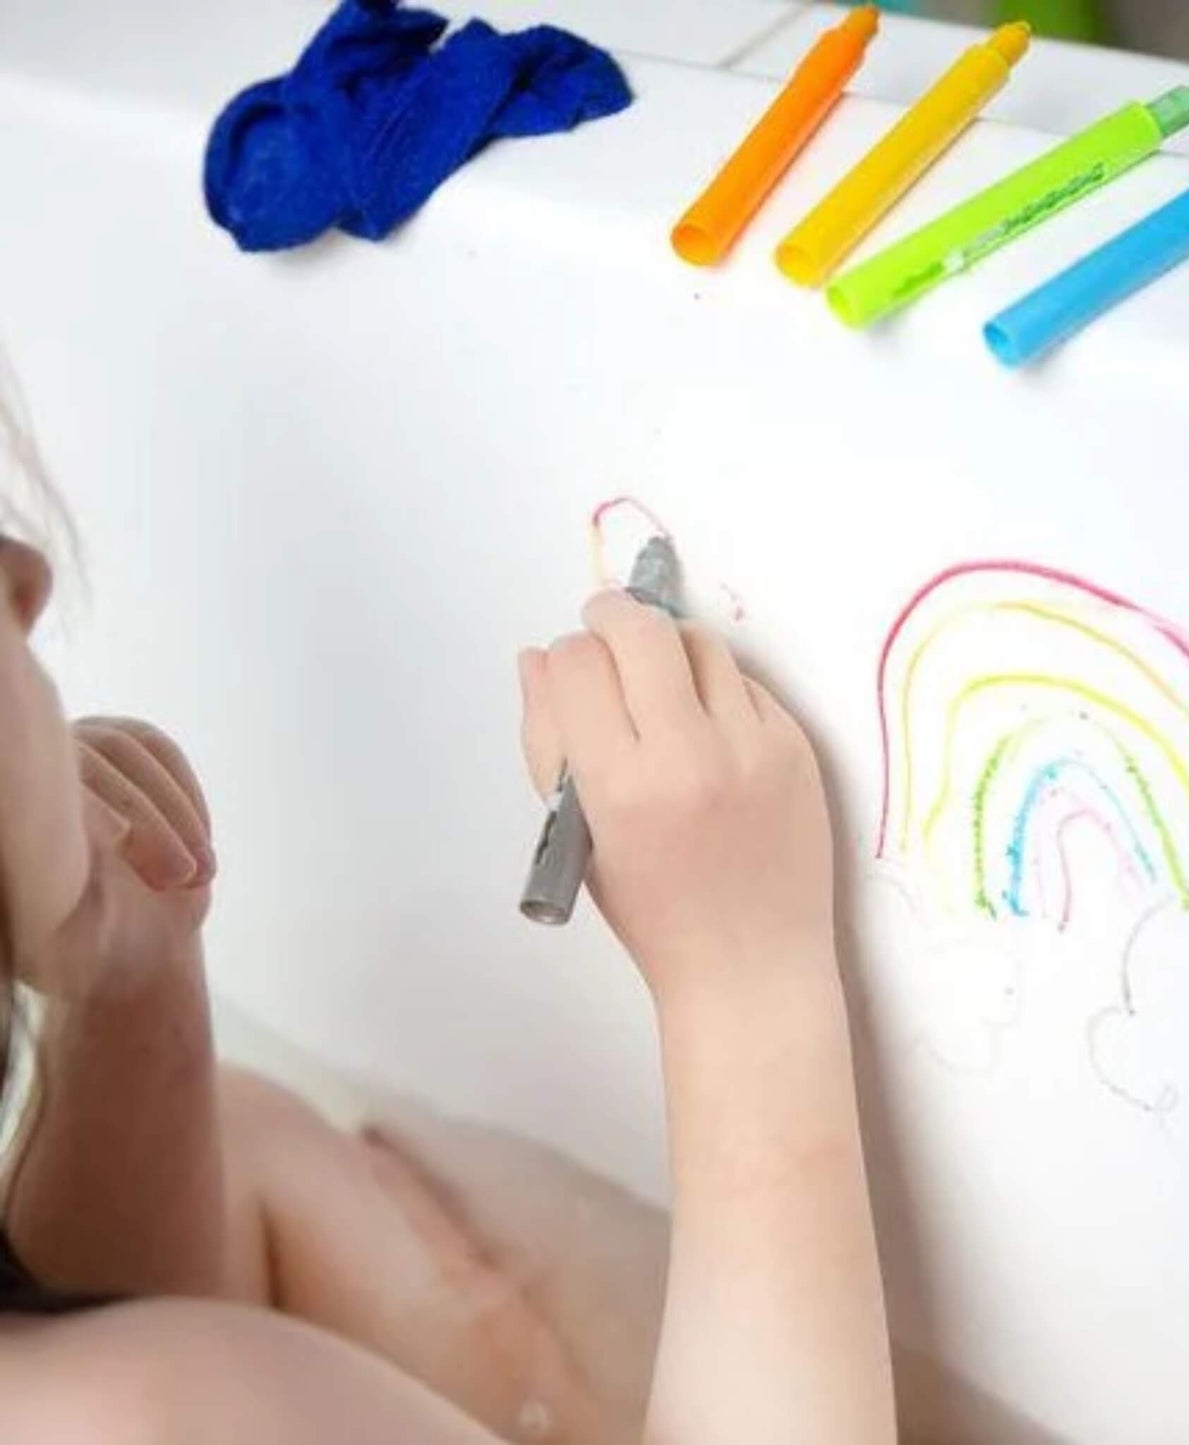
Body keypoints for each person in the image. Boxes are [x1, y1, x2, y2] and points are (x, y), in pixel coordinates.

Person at [0, 373, 897, 1443]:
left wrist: (129, 990)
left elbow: (105, 1316)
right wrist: (743, 985)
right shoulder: (157, 1405)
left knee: (255, 1146)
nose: (26, 575)